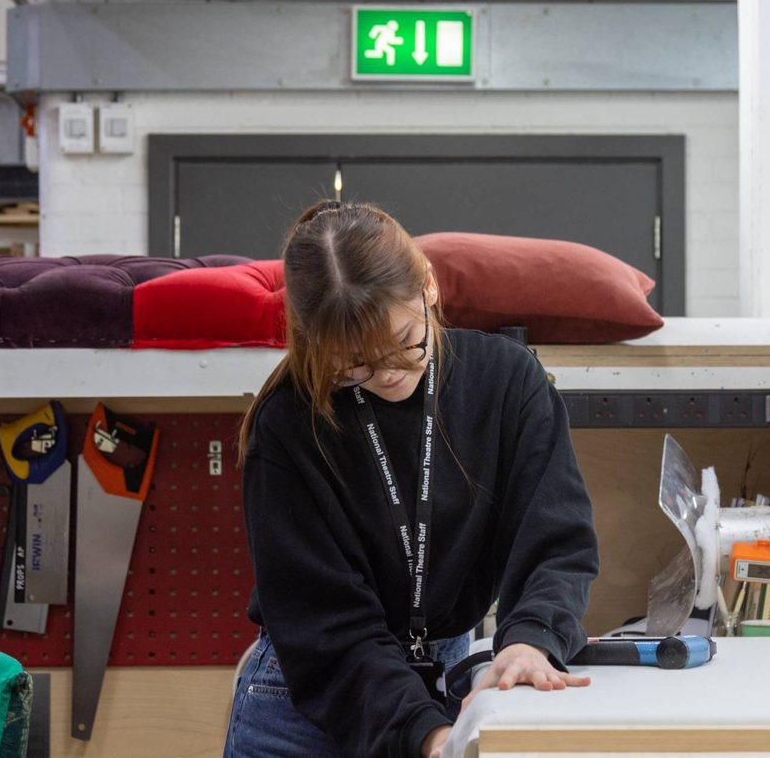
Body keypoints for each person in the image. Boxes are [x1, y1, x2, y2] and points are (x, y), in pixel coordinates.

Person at [224, 200, 599, 758]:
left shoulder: (506, 381)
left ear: (427, 285)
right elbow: (327, 624)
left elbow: (556, 539)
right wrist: (426, 735)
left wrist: (531, 640)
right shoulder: (288, 426)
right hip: (311, 705)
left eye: (406, 344)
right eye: (354, 366)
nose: (389, 374)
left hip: (450, 686)